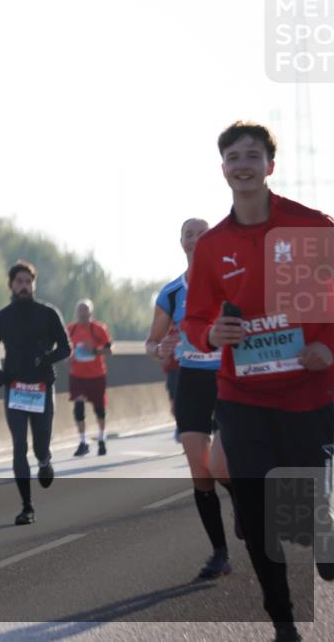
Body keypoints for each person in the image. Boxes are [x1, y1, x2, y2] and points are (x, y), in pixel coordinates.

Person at [183, 121, 334, 642]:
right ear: (223, 168)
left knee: (310, 509)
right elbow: (195, 320)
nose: (242, 165)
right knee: (254, 509)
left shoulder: (313, 228)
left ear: (270, 165)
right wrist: (211, 332)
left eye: (252, 156)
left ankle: (324, 537)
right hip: (241, 396)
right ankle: (284, 621)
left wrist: (328, 346)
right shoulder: (212, 247)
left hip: (309, 394)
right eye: (233, 157)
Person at [146, 217, 239, 582]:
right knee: (200, 471)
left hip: (229, 378)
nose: (196, 240)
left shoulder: (233, 281)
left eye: (203, 234)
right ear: (181, 243)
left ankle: (247, 507)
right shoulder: (171, 292)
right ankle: (219, 553)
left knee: (221, 467)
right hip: (192, 379)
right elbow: (151, 342)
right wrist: (160, 348)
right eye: (189, 235)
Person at [0, 260, 71, 525]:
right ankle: (27, 507)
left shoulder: (48, 314)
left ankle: (45, 461)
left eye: (28, 282)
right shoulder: (2, 317)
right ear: (11, 285)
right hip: (15, 389)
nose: (24, 286)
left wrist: (46, 359)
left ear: (34, 285)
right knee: (19, 446)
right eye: (19, 282)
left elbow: (65, 348)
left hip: (41, 388)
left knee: (39, 445)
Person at [66, 299, 113, 456]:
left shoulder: (98, 329)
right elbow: (65, 351)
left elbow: (109, 350)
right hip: (77, 375)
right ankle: (83, 441)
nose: (83, 313)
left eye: (85, 310)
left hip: (96, 375)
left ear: (91, 312)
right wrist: (69, 358)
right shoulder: (71, 330)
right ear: (76, 312)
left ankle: (101, 438)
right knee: (78, 406)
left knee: (99, 409)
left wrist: (94, 350)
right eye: (80, 310)